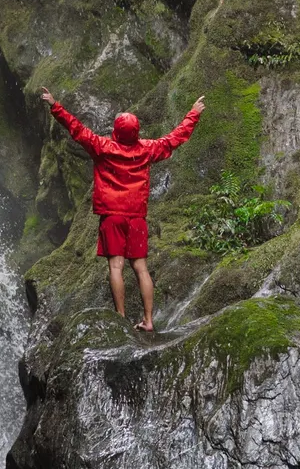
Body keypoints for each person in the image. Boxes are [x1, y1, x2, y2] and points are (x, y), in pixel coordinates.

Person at [40, 89, 205, 332]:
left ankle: (120, 318)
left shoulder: (103, 147)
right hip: (137, 218)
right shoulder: (147, 149)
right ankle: (149, 321)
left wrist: (55, 105)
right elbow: (174, 139)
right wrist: (193, 114)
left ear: (115, 131)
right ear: (137, 132)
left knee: (115, 266)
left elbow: (76, 129)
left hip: (112, 216)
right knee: (141, 268)